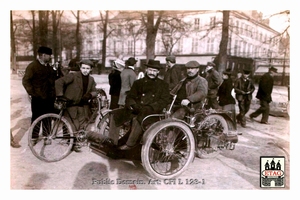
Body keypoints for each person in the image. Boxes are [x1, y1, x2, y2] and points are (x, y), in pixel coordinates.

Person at [108, 59, 170, 150]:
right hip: (136, 109)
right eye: (150, 70)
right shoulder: (138, 83)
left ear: (158, 72)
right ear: (146, 70)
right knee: (114, 114)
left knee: (138, 118)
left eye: (154, 71)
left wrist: (149, 108)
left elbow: (164, 101)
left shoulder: (163, 85)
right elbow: (130, 96)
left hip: (152, 112)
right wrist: (133, 105)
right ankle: (112, 142)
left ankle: (130, 145)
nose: (151, 73)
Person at [55, 59, 98, 152]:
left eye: (87, 68)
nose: (85, 70)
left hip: (82, 105)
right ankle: (72, 143)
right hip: (71, 104)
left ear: (91, 69)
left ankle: (75, 141)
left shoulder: (91, 79)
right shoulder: (73, 76)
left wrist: (90, 95)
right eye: (83, 68)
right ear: (80, 68)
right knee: (72, 124)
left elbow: (95, 90)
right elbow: (59, 82)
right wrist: (60, 96)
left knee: (81, 124)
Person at [22, 46, 56, 124]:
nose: (50, 57)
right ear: (43, 55)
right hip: (38, 99)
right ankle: (34, 136)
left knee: (47, 121)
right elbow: (26, 81)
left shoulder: (49, 67)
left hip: (49, 99)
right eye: (49, 55)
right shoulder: (32, 66)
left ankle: (47, 136)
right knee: (36, 120)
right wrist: (33, 93)